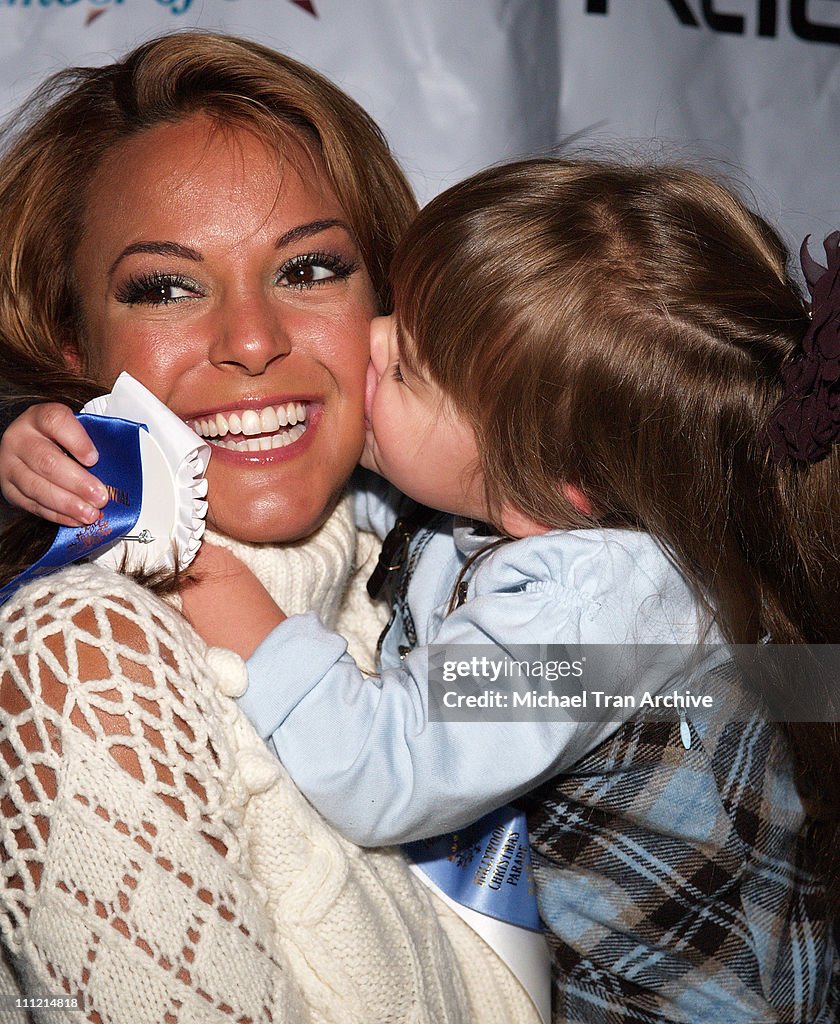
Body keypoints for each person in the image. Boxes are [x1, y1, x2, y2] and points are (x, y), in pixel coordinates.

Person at [8, 156, 840, 1021]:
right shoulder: (496, 503)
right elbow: (307, 478)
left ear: (549, 495)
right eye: (398, 311)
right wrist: (64, 450)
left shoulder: (602, 615)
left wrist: (201, 569)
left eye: (409, 370)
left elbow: (384, 766)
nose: (367, 338)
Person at [0, 32, 539, 1024]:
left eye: (310, 269)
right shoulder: (84, 654)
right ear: (71, 338)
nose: (253, 340)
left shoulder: (454, 578)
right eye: (165, 286)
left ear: (389, 301)